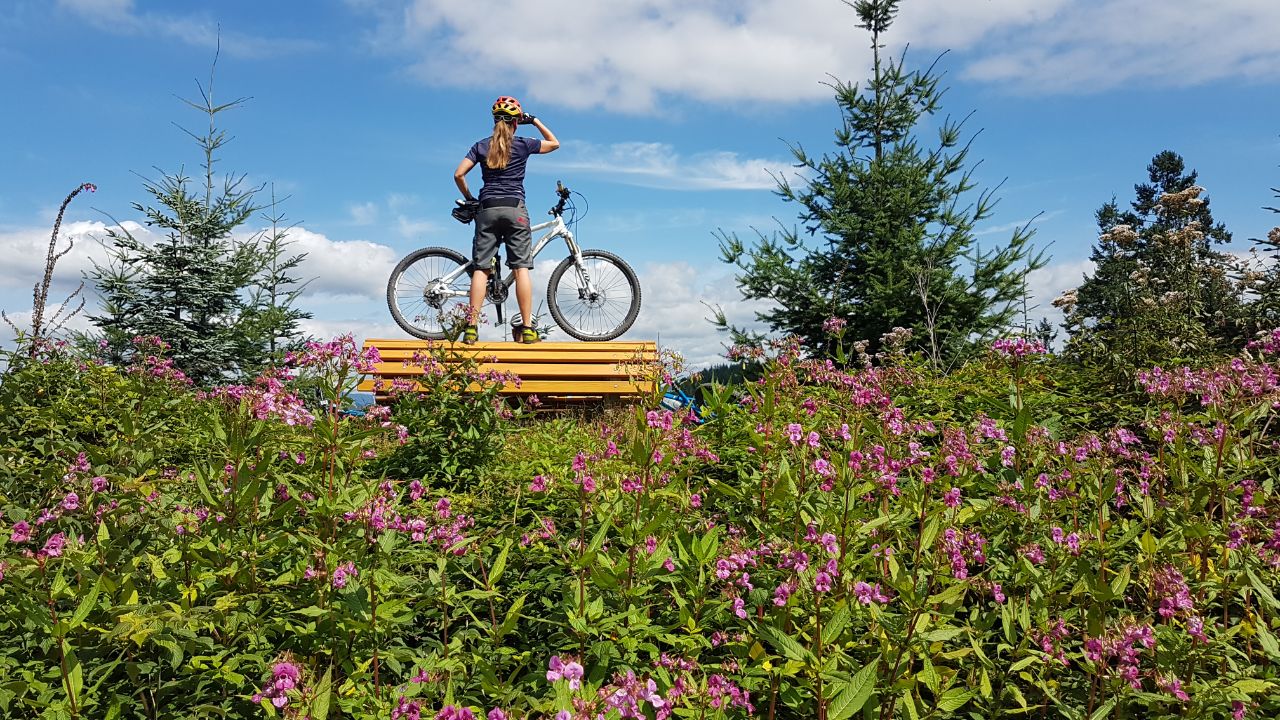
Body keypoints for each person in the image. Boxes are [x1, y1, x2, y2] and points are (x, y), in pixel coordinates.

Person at [453, 95, 560, 344]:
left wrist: (470, 198)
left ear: (494, 122)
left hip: (487, 209)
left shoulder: (481, 146)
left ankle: (471, 328)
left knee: (481, 269)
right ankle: (528, 328)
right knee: (520, 269)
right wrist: (534, 120)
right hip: (515, 209)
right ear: (515, 122)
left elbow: (458, 174)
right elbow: (554, 143)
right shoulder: (523, 144)